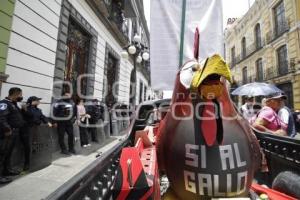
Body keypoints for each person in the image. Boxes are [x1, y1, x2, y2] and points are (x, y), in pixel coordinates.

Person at [20, 96, 52, 171]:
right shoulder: (25, 108)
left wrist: (47, 122)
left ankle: (35, 161)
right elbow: (31, 118)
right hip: (27, 130)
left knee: (34, 146)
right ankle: (27, 164)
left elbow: (42, 117)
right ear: (33, 101)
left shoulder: (38, 110)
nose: (39, 102)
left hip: (35, 130)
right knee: (27, 147)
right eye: (37, 100)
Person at [0, 87, 25, 184]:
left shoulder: (13, 104)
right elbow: (1, 117)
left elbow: (15, 117)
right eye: (20, 95)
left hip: (14, 132)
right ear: (15, 94)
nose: (21, 97)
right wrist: (7, 129)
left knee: (8, 153)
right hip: (7, 133)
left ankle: (7, 170)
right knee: (2, 154)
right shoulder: (4, 103)